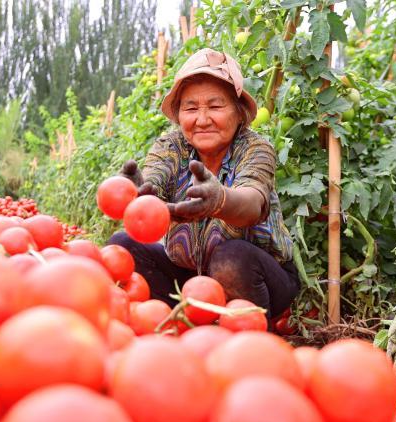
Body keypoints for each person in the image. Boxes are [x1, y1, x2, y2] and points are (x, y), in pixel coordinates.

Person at [109, 47, 299, 321]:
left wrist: (220, 200)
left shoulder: (255, 148)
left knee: (231, 258)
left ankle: (249, 332)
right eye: (191, 108)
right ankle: (176, 324)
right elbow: (155, 177)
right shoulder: (171, 147)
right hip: (192, 276)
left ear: (238, 111)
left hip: (259, 277)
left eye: (215, 106)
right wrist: (139, 191)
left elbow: (253, 201)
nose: (202, 119)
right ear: (179, 115)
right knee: (124, 244)